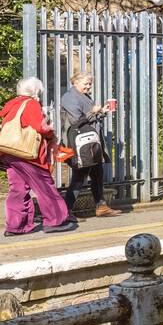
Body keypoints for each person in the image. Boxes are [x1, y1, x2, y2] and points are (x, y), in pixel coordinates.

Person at [0, 78, 76, 235]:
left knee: (18, 189)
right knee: (44, 186)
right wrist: (51, 132)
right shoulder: (31, 104)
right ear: (35, 92)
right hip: (28, 154)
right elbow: (40, 127)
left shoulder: (12, 105)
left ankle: (16, 226)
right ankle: (55, 221)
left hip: (9, 152)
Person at [60, 72, 122, 218]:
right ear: (75, 82)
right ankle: (65, 211)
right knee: (80, 177)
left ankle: (101, 206)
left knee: (97, 173)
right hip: (79, 143)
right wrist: (92, 111)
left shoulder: (84, 96)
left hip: (90, 142)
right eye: (86, 84)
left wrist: (102, 112)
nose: (89, 87)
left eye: (90, 84)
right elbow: (77, 121)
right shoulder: (69, 97)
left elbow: (91, 119)